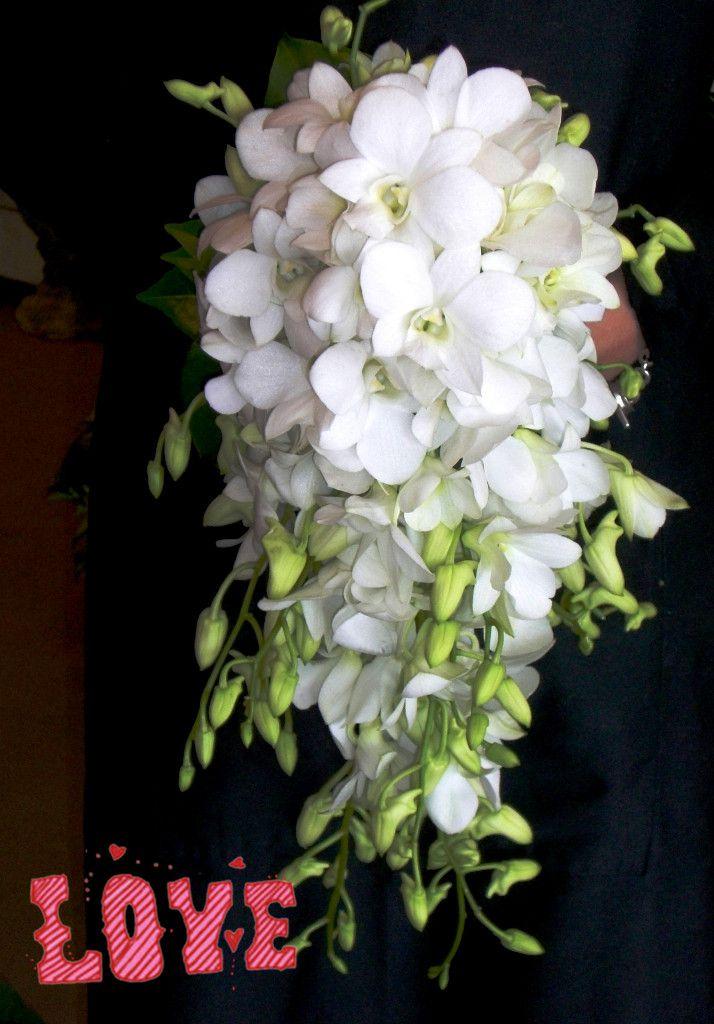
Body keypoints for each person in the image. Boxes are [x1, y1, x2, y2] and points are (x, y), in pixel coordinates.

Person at [5, 1, 711, 1020]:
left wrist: (658, 289)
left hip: (579, 425)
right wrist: (215, 226)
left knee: (588, 928)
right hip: (247, 392)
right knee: (227, 920)